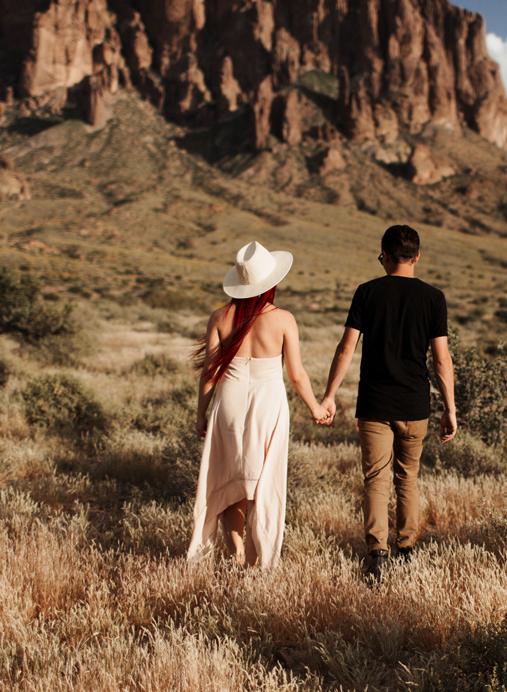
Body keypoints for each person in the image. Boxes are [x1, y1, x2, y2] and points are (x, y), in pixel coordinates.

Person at [321, 224, 457, 581]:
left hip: (375, 404)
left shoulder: (367, 292)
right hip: (415, 405)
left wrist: (330, 395)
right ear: (417, 257)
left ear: (384, 255)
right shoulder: (433, 297)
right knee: (407, 479)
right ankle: (407, 549)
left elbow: (346, 348)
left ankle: (377, 554)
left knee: (375, 481)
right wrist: (450, 408)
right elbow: (442, 360)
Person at [187, 241, 332, 569]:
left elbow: (210, 374)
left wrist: (200, 414)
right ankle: (258, 561)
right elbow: (296, 375)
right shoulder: (283, 320)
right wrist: (315, 408)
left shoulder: (220, 317)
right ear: (271, 284)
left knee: (229, 477)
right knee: (263, 483)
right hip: (268, 406)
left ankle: (236, 549)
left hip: (229, 403)